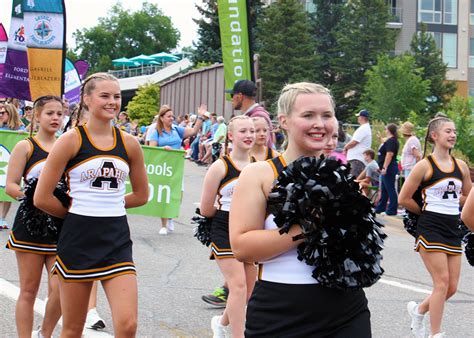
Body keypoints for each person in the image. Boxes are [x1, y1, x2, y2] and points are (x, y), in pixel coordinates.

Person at [230, 82, 370, 337]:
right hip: (280, 313)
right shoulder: (260, 174)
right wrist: (308, 225)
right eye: (308, 115)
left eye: (326, 115)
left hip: (347, 310)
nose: (320, 123)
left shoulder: (343, 176)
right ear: (284, 121)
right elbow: (242, 247)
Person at [34, 73, 149, 337]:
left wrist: (110, 204)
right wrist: (75, 212)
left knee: (128, 325)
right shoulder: (70, 141)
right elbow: (41, 197)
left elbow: (142, 195)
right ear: (86, 99)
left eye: (117, 97)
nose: (112, 102)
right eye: (105, 96)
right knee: (73, 328)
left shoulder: (129, 143)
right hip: (78, 238)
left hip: (116, 239)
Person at [399, 116, 471, 338]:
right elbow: (403, 198)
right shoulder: (424, 166)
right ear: (434, 136)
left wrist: (455, 201)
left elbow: (468, 196)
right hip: (430, 227)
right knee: (441, 283)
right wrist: (426, 212)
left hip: (453, 227)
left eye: (454, 131)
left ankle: (419, 311)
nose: (453, 135)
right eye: (448, 131)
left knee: (451, 287)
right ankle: (435, 334)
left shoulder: (461, 167)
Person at [5, 95, 64, 338]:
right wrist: (32, 199)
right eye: (50, 113)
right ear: (36, 115)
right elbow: (10, 185)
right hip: (30, 223)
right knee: (28, 290)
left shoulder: (67, 145)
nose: (55, 118)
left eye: (60, 113)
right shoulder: (25, 146)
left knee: (60, 288)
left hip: (60, 224)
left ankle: (45, 333)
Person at [200, 115, 257, 337]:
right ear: (231, 135)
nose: (249, 135)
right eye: (243, 131)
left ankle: (221, 322)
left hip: (250, 230)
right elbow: (205, 209)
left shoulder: (259, 167)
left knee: (249, 291)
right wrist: (228, 215)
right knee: (238, 286)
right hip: (224, 228)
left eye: (252, 131)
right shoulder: (219, 167)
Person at [149, 104, 207, 235]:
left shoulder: (177, 130)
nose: (171, 118)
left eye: (172, 116)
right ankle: (163, 224)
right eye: (169, 116)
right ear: (162, 118)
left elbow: (193, 131)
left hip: (177, 167)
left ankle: (170, 217)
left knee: (177, 196)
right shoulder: (156, 133)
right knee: (164, 196)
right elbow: (152, 151)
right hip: (163, 169)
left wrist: (200, 117)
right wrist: (163, 150)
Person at [226, 80, 274, 148]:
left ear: (240, 96)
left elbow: (263, 148)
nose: (231, 99)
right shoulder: (255, 114)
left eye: (232, 95)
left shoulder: (258, 117)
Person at [0, 104, 25, 229]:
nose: (1, 115)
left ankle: (2, 217)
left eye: (3, 113)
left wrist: (21, 134)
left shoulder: (19, 128)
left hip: (11, 163)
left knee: (6, 189)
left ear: (10, 114)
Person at [375, 123, 400, 216]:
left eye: (386, 129)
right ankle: (381, 208)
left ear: (389, 130)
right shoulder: (390, 141)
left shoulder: (391, 141)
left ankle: (392, 209)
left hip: (389, 167)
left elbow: (389, 154)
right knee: (384, 189)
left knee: (390, 188)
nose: (385, 131)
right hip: (386, 167)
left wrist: (385, 167)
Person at [343, 109, 372, 177]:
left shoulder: (363, 128)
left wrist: (345, 147)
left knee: (354, 180)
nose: (358, 118)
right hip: (359, 159)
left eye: (359, 116)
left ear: (362, 118)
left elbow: (354, 142)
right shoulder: (365, 128)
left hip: (357, 159)